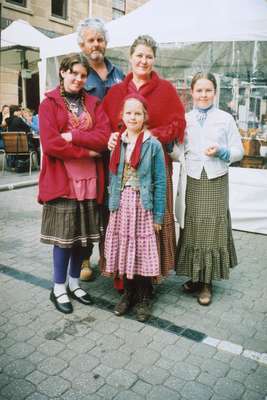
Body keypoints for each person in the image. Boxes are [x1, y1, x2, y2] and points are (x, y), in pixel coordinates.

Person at [103, 35, 185, 294]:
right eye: (139, 55)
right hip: (124, 175)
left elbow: (178, 123)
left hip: (154, 168)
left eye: (149, 56)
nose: (143, 60)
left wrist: (151, 138)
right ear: (130, 57)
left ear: (154, 60)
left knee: (151, 223)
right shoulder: (116, 92)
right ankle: (123, 278)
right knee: (125, 223)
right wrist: (114, 135)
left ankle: (147, 281)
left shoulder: (167, 90)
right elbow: (106, 124)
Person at [38, 53, 110, 314]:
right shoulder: (49, 104)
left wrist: (74, 135)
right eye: (74, 73)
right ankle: (58, 288)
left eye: (83, 75)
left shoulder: (93, 102)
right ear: (63, 72)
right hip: (64, 181)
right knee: (64, 239)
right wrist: (86, 151)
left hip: (90, 180)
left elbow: (103, 137)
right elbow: (51, 144)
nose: (79, 79)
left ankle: (75, 283)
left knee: (82, 240)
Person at [175, 72, 244, 306]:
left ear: (215, 92)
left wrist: (222, 152)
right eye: (199, 90)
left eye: (208, 90)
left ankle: (207, 283)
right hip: (193, 178)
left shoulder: (225, 119)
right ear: (192, 92)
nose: (203, 95)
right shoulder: (185, 119)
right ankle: (195, 277)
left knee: (211, 228)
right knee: (193, 226)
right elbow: (177, 150)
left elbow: (239, 152)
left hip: (215, 179)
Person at [104, 94, 166, 321]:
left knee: (141, 251)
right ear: (122, 116)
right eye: (128, 113)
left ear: (145, 116)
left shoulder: (153, 144)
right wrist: (111, 204)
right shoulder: (117, 142)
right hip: (121, 205)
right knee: (124, 248)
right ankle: (128, 294)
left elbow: (160, 182)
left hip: (143, 205)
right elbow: (113, 176)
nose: (133, 117)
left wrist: (158, 216)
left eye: (137, 113)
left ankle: (144, 296)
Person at [77, 17, 125, 281]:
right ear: (82, 44)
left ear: (105, 42)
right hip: (91, 152)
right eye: (91, 40)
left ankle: (109, 258)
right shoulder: (78, 73)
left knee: (111, 206)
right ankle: (85, 259)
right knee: (88, 205)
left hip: (117, 152)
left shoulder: (119, 72)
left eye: (100, 39)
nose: (96, 44)